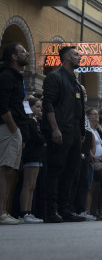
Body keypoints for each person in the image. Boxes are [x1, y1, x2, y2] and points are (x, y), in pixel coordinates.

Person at [41, 45, 87, 223]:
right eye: (76, 54)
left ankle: (65, 209)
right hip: (61, 129)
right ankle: (51, 211)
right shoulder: (55, 77)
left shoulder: (75, 81)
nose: (79, 57)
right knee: (55, 170)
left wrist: (81, 131)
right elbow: (48, 104)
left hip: (75, 132)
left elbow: (79, 109)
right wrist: (54, 128)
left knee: (71, 171)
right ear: (66, 58)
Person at [0, 43, 31, 224]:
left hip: (14, 129)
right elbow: (3, 104)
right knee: (5, 170)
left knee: (10, 171)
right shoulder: (6, 75)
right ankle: (1, 212)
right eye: (22, 52)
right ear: (13, 56)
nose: (26, 54)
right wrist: (13, 128)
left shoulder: (15, 76)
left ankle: (4, 210)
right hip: (7, 128)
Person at [19, 95, 45, 223]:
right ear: (30, 107)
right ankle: (24, 212)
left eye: (41, 107)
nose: (40, 109)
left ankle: (29, 211)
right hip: (31, 154)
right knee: (27, 184)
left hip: (38, 155)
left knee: (32, 185)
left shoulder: (36, 121)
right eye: (37, 106)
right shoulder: (28, 121)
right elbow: (36, 138)